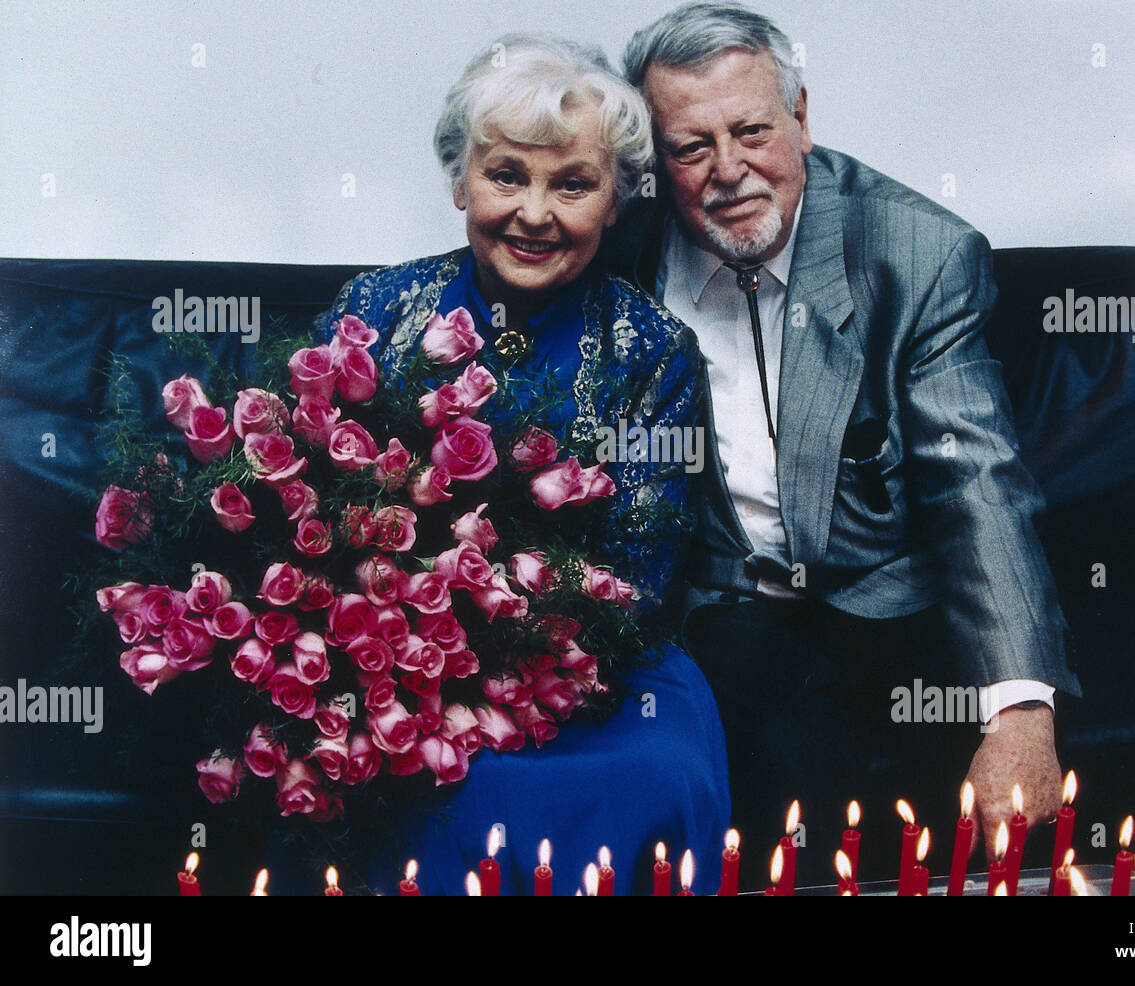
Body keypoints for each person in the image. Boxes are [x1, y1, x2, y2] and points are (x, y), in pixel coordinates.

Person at [603, 1, 1083, 882]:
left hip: (876, 600)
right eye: (690, 147)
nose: (729, 172)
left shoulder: (919, 252)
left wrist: (1018, 711)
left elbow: (974, 482)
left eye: (752, 131)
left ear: (802, 118)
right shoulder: (615, 247)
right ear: (653, 160)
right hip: (716, 606)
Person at [293, 34, 729, 895]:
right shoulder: (373, 312)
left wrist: (495, 636)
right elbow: (308, 518)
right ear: (460, 181)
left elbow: (637, 573)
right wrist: (409, 637)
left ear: (616, 204)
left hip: (598, 672)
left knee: (657, 769)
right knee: (411, 771)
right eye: (506, 176)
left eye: (572, 184)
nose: (535, 212)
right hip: (393, 661)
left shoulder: (653, 349)